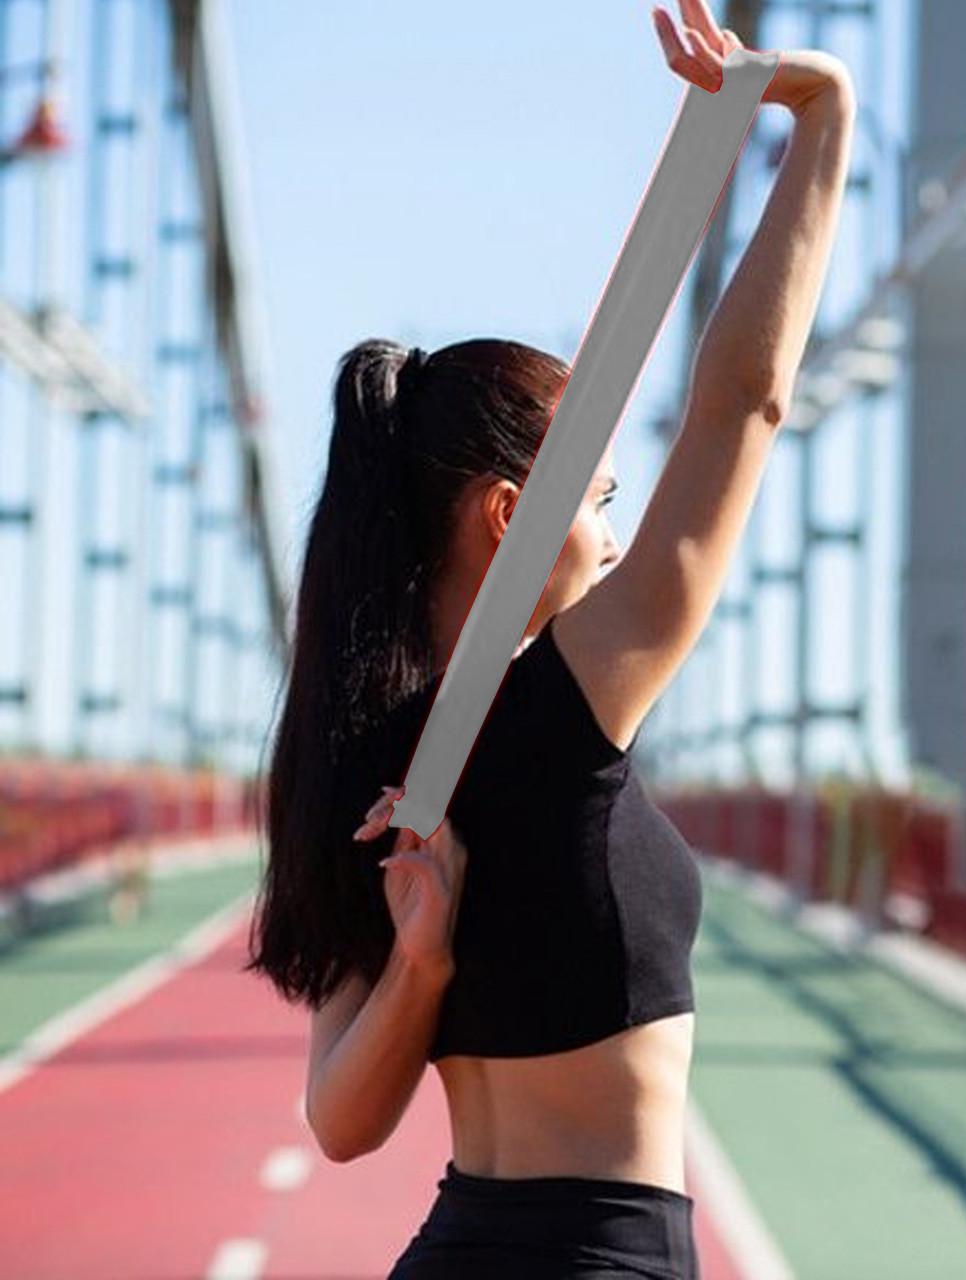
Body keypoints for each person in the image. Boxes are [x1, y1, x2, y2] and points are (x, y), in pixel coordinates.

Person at [245, 3, 854, 1276]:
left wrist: (423, 962)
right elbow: (743, 407)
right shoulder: (568, 704)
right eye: (602, 502)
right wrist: (821, 116)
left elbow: (341, 1120)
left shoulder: (370, 769)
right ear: (511, 515)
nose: (619, 540)